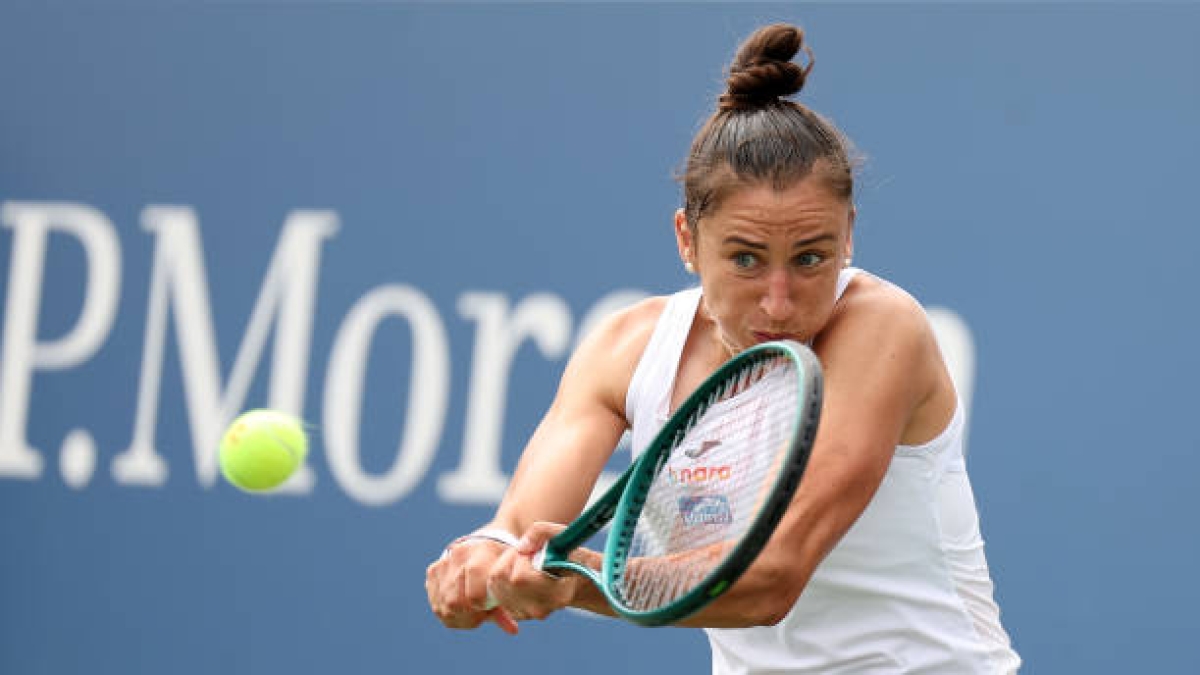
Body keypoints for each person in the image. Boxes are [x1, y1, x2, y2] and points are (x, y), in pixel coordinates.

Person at [425, 22, 1021, 674]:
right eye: (745, 258)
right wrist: (484, 558)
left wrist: (577, 581)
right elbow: (520, 524)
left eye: (810, 257)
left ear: (849, 234)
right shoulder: (626, 348)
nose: (778, 299)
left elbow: (770, 575)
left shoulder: (883, 330)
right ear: (687, 239)